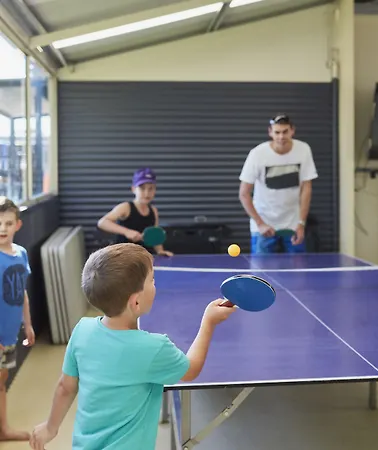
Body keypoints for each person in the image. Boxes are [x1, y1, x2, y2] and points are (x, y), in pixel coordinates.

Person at [29, 243, 236, 450]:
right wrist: (208, 322)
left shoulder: (82, 330)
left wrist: (50, 428)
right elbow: (191, 370)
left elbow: (65, 387)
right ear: (135, 302)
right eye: (152, 280)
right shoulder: (154, 348)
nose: (155, 284)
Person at [239, 113, 318, 254]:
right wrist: (260, 224)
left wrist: (301, 223)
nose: (281, 137)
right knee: (261, 268)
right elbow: (244, 193)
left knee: (298, 268)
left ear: (292, 131)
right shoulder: (257, 154)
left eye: (285, 132)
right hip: (263, 226)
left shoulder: (303, 150)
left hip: (293, 225)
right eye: (277, 132)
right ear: (270, 132)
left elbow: (307, 188)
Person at [0, 197, 35, 442]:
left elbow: (21, 292)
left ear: (17, 225)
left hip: (9, 336)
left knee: (1, 381)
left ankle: (3, 429)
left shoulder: (20, 254)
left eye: (8, 223)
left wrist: (28, 324)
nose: (2, 228)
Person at [97, 167, 173, 256]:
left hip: (145, 257)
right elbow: (102, 222)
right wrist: (127, 232)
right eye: (142, 188)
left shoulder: (154, 210)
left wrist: (160, 251)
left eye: (151, 188)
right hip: (124, 256)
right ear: (133, 189)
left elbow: (154, 235)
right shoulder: (125, 207)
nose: (146, 193)